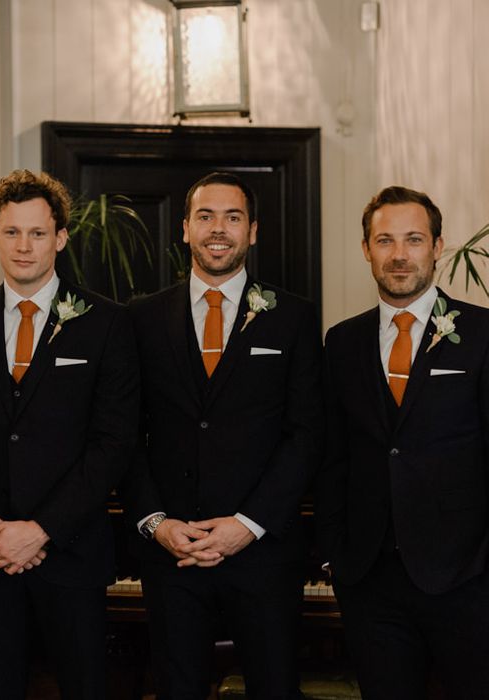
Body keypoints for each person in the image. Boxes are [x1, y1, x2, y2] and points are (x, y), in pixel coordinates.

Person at [0, 169, 139, 699]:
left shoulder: (107, 322)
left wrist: (42, 528)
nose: (23, 246)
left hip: (70, 551)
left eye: (37, 233)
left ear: (61, 238)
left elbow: (113, 443)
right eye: (11, 232)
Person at [126, 172, 323, 699]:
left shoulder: (295, 318)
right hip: (173, 552)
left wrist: (248, 524)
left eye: (233, 217)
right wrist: (155, 523)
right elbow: (124, 432)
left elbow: (306, 434)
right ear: (185, 228)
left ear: (253, 231)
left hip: (263, 554)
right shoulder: (140, 320)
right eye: (206, 217)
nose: (219, 229)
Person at [316, 185, 489, 699]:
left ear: (437, 246)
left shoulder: (482, 333)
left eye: (413, 239)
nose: (399, 254)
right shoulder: (341, 341)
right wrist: (335, 556)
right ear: (366, 249)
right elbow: (333, 456)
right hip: (370, 580)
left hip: (467, 577)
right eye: (385, 240)